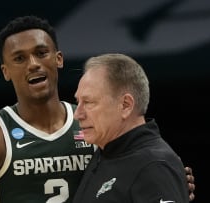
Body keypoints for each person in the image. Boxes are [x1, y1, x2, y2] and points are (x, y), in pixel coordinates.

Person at [0, 16, 195, 203]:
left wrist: (166, 177)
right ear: (5, 71)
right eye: (19, 58)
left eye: (41, 53)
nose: (33, 64)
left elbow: (134, 161)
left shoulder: (91, 125)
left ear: (58, 59)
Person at [72, 53, 190, 202]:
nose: (78, 114)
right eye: (78, 102)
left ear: (126, 105)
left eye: (88, 102)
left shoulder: (154, 168)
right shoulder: (106, 151)